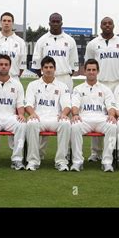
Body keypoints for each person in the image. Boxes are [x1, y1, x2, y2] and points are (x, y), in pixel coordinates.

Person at [31, 13, 78, 158]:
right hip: (46, 79)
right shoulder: (42, 40)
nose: (55, 23)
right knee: (45, 112)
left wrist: (62, 77)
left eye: (58, 21)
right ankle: (39, 152)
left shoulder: (69, 40)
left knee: (66, 116)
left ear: (62, 23)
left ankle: (67, 152)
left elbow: (74, 66)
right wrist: (46, 79)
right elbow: (36, 64)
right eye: (53, 21)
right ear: (49, 23)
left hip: (64, 78)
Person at [84, 16, 119, 162]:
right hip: (98, 84)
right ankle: (96, 152)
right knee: (97, 115)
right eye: (104, 24)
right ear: (101, 26)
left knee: (115, 118)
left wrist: (114, 75)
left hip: (116, 84)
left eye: (110, 23)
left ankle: (118, 152)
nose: (107, 26)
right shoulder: (93, 44)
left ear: (113, 25)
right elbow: (89, 63)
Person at [0, 12, 27, 155]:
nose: (6, 23)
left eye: (9, 21)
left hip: (13, 79)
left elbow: (21, 65)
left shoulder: (20, 42)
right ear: (0, 22)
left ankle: (15, 149)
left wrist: (13, 75)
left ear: (12, 23)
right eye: (4, 20)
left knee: (14, 114)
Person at [25, 56, 71, 171]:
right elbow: (28, 104)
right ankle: (33, 161)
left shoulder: (62, 86)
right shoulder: (33, 85)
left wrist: (64, 113)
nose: (48, 69)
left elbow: (67, 105)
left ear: (55, 69)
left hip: (55, 118)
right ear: (41, 69)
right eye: (46, 67)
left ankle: (61, 161)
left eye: (51, 67)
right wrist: (32, 113)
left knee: (65, 123)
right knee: (31, 123)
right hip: (39, 117)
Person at [70, 59, 117, 172]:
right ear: (85, 71)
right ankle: (77, 161)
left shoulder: (105, 89)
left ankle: (107, 162)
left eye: (94, 70)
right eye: (89, 70)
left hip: (101, 118)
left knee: (112, 126)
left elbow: (111, 106)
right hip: (85, 118)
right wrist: (75, 114)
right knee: (75, 126)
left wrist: (111, 115)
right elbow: (75, 105)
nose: (91, 72)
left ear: (98, 71)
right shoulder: (78, 89)